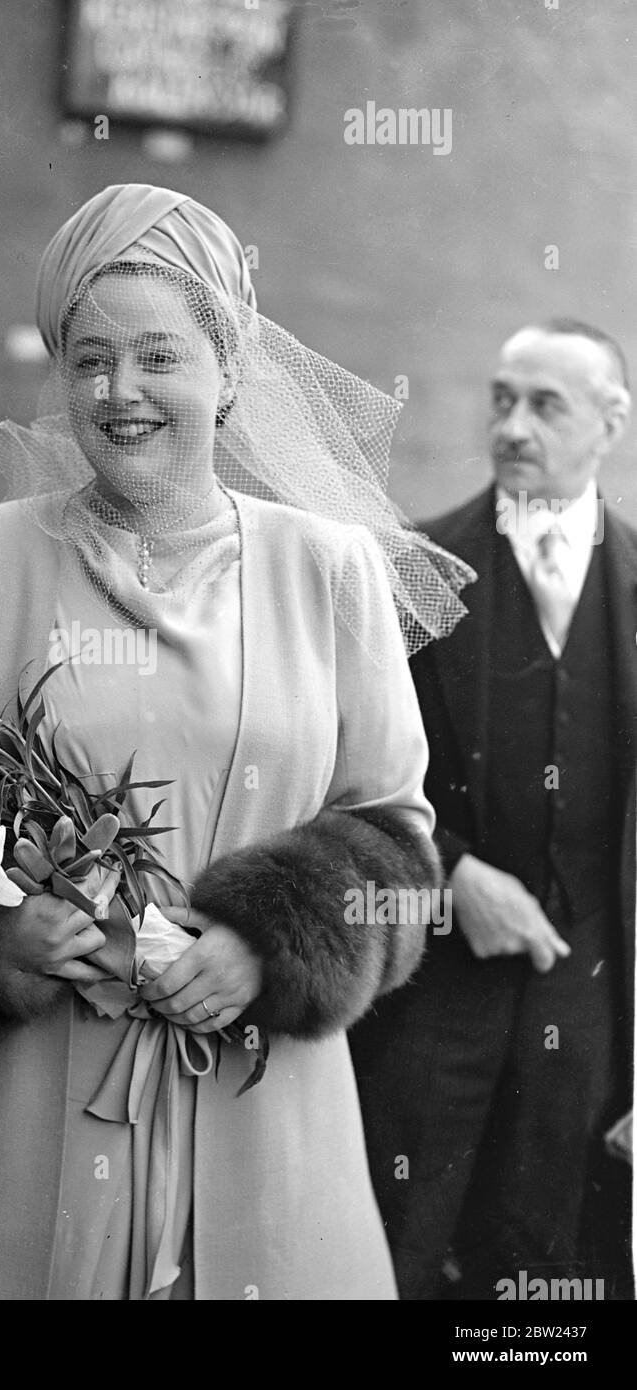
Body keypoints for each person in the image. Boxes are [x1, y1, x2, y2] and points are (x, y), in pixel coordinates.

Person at [0, 184, 468, 1301]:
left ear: (230, 367)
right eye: (89, 358)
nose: (121, 392)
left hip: (261, 1095)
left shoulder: (328, 568)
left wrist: (273, 944)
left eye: (159, 356)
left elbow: (397, 842)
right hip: (31, 1097)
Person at [350, 319, 637, 1300]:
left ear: (612, 421)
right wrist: (459, 872)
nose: (512, 426)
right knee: (404, 1236)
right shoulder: (412, 566)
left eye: (545, 405)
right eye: (502, 398)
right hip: (435, 983)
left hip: (594, 993)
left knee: (552, 1253)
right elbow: (357, 769)